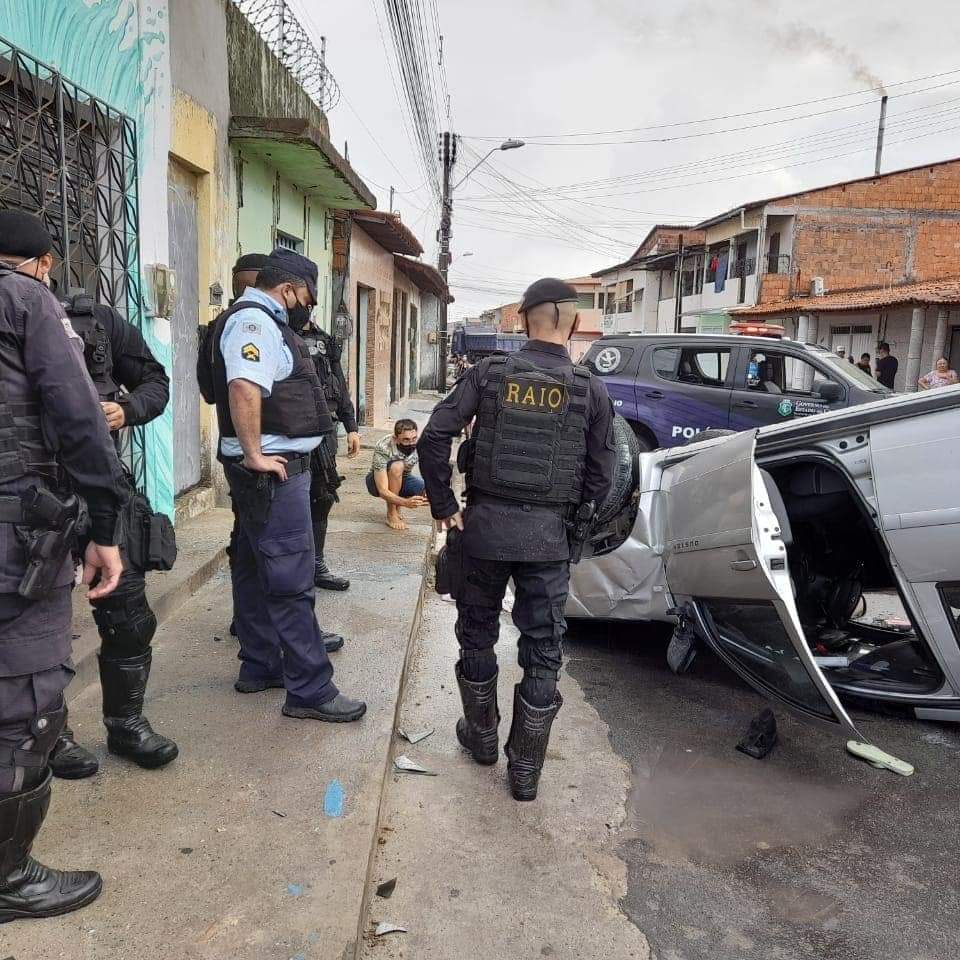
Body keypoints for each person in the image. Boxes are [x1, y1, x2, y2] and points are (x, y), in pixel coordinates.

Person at [418, 278, 616, 802]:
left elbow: (434, 435)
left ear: (524, 319)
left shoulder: (488, 374)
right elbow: (604, 472)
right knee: (543, 649)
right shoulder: (588, 388)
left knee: (476, 633)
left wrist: (444, 506)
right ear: (572, 322)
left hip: (483, 531)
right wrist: (575, 525)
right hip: (548, 540)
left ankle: (482, 739)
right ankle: (524, 772)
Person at [0, 209, 126, 922]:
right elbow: (79, 418)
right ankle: (8, 878)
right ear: (41, 262)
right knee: (22, 704)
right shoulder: (25, 301)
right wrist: (104, 527)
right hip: (15, 547)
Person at [209, 250, 365, 722]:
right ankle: (310, 689)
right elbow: (243, 386)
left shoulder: (256, 320)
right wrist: (255, 452)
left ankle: (261, 664)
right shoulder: (255, 322)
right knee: (292, 579)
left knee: (256, 568)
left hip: (266, 472)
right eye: (307, 299)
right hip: (272, 473)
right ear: (290, 288)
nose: (308, 309)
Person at [47, 291, 178, 780]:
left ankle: (126, 724)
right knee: (39, 629)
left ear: (45, 264)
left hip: (102, 492)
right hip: (26, 499)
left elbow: (155, 382)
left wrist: (126, 408)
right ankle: (49, 735)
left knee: (129, 616)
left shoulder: (95, 321)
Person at [296, 293, 361, 590]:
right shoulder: (278, 335)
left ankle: (316, 565)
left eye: (309, 306)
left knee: (321, 497)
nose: (304, 311)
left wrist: (351, 426)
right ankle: (293, 571)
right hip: (292, 431)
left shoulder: (325, 341)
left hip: (326, 432)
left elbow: (340, 384)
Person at [366, 419, 428, 531]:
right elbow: (382, 490)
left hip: (404, 478)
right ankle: (391, 512)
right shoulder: (384, 446)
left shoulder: (420, 445)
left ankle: (397, 506)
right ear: (395, 438)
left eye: (414, 438)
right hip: (378, 480)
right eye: (406, 440)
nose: (411, 443)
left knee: (432, 493)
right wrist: (405, 502)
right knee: (397, 466)